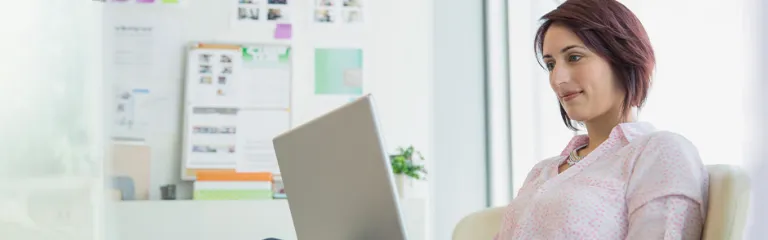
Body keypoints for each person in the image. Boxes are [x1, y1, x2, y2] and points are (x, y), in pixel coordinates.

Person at [494, 0, 709, 239]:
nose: (557, 79)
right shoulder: (541, 172)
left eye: (574, 57)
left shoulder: (659, 151)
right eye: (550, 65)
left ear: (623, 58)